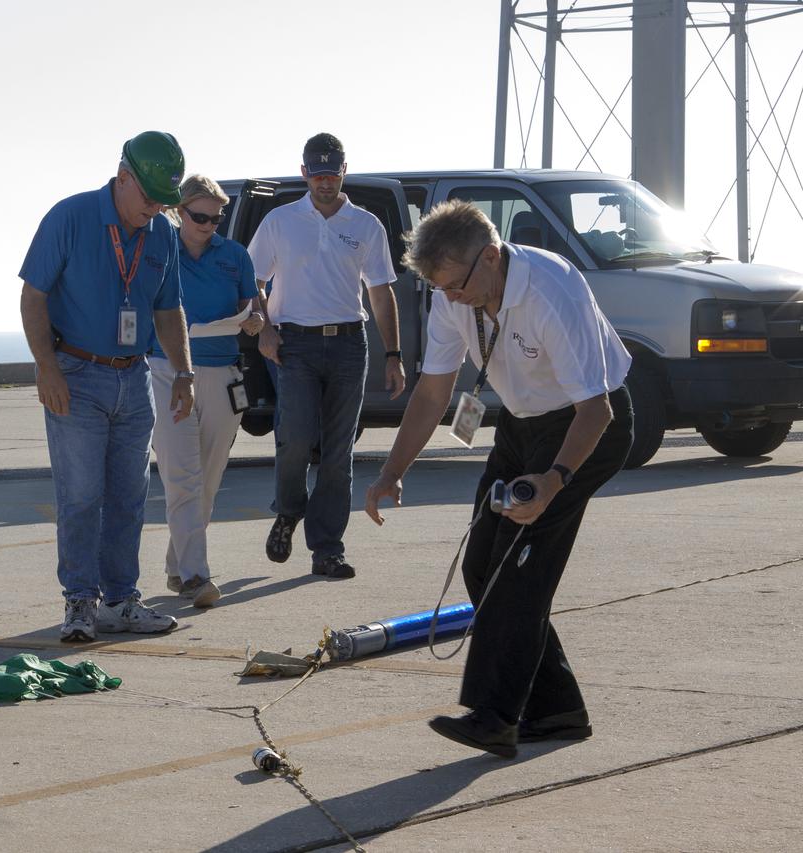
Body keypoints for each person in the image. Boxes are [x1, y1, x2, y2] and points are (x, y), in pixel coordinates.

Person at [364, 199, 633, 759]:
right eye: (439, 289)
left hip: (583, 428)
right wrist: (392, 470)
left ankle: (495, 716)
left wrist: (554, 481)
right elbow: (433, 392)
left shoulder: (551, 291)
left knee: (519, 571)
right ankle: (557, 711)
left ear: (490, 256)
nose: (449, 298)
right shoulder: (453, 293)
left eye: (455, 286)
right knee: (482, 565)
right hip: (521, 423)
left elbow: (597, 411)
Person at [19, 131, 195, 642]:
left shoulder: (162, 234)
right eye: (149, 197)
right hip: (75, 375)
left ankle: (120, 599)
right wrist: (47, 368)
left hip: (134, 378)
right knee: (80, 496)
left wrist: (183, 372)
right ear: (122, 177)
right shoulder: (69, 217)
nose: (155, 208)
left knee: (129, 496)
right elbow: (32, 298)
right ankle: (80, 601)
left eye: (164, 200)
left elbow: (169, 309)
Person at [247, 133, 405, 580]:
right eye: (316, 175)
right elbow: (252, 280)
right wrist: (266, 330)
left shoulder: (366, 225)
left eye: (331, 174)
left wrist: (393, 354)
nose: (324, 183)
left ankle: (327, 549)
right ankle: (288, 511)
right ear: (304, 174)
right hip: (293, 345)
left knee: (338, 451)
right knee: (295, 439)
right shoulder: (280, 221)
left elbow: (380, 292)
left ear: (343, 172)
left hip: (348, 345)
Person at [150, 175, 263, 607]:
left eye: (216, 219)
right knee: (182, 476)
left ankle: (178, 567)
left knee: (209, 480)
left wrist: (253, 321)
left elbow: (251, 309)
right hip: (166, 370)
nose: (209, 226)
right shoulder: (160, 250)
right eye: (200, 217)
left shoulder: (235, 255)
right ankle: (197, 575)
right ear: (179, 212)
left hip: (222, 372)